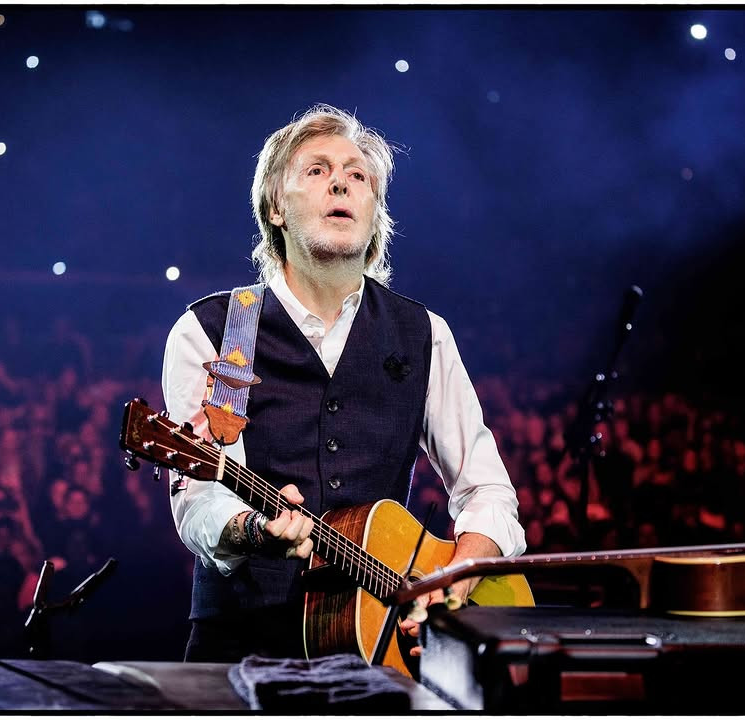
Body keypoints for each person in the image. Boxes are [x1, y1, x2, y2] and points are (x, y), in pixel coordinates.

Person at [163, 104, 526, 663]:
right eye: (317, 170)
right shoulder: (222, 332)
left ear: (374, 212)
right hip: (243, 642)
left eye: (358, 175)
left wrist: (457, 575)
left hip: (383, 648)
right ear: (276, 209)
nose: (342, 182)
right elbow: (203, 495)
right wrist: (254, 530)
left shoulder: (422, 333)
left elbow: (487, 490)